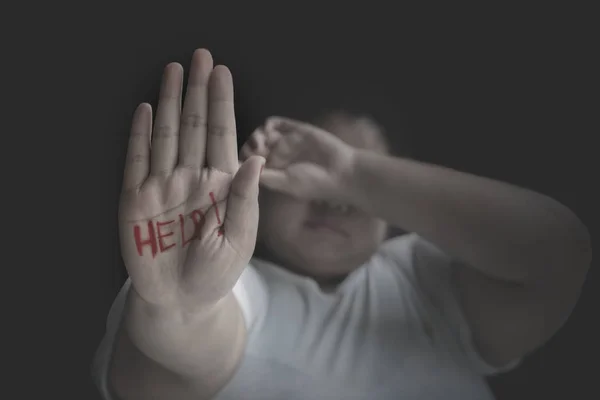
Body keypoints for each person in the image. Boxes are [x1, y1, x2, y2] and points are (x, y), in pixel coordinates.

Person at [92, 48, 592, 400]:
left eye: (354, 195)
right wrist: (181, 309)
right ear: (257, 186)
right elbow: (183, 352)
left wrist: (349, 174)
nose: (337, 206)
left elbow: (556, 253)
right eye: (310, 183)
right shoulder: (231, 285)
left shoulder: (424, 284)